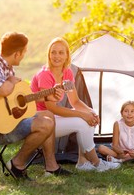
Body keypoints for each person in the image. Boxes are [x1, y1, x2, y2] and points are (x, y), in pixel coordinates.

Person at [0, 31, 71, 180]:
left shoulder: (6, 67)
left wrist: (47, 97)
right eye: (24, 52)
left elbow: (15, 101)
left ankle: (51, 167)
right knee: (45, 124)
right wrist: (11, 81)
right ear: (17, 54)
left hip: (6, 120)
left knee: (48, 115)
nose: (24, 55)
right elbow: (4, 89)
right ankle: (17, 164)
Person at [30, 37, 120, 172]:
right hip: (41, 121)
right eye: (53, 52)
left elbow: (75, 101)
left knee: (89, 115)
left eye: (61, 53)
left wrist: (91, 113)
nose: (56, 56)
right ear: (48, 54)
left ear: (67, 55)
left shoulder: (67, 73)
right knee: (82, 121)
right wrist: (82, 115)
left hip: (53, 118)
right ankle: (96, 163)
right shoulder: (45, 75)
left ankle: (82, 162)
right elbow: (52, 107)